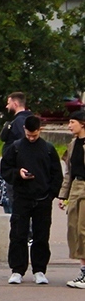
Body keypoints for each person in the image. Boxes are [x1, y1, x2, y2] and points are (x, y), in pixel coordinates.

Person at [0, 114, 63, 284]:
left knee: (41, 235)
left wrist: (51, 195)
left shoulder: (48, 149)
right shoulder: (16, 147)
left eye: (34, 135)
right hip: (22, 197)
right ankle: (17, 270)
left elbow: (56, 174)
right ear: (24, 130)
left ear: (40, 130)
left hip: (43, 198)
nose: (31, 138)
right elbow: (5, 169)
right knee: (18, 234)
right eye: (28, 135)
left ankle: (39, 270)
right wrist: (18, 173)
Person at [58, 111, 85, 289]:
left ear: (82, 123)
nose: (69, 126)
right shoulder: (73, 144)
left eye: (72, 122)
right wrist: (63, 195)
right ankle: (83, 270)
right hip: (76, 187)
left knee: (83, 229)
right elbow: (69, 172)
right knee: (74, 229)